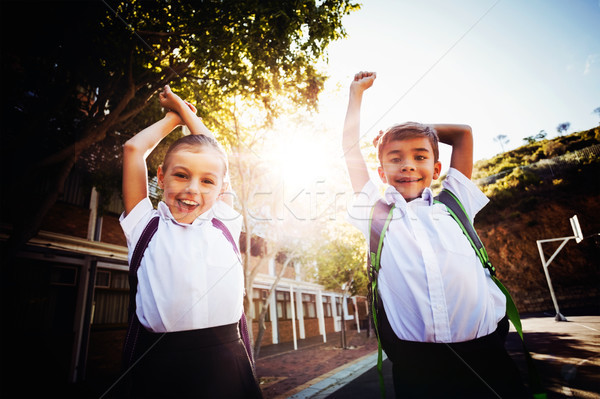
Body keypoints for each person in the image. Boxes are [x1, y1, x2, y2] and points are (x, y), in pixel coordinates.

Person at [343, 71, 529, 398]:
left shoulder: (455, 203)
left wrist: (417, 129)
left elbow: (463, 133)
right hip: (418, 366)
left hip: (487, 356)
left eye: (420, 156)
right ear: (381, 171)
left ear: (437, 169)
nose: (408, 165)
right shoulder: (376, 212)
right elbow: (349, 150)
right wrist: (356, 94)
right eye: (395, 158)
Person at [120, 85, 262, 398]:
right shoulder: (144, 225)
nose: (193, 188)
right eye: (181, 175)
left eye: (207, 181)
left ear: (221, 186)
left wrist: (186, 113)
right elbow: (133, 149)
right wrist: (175, 117)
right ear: (160, 176)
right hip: (160, 365)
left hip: (227, 361)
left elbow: (218, 155)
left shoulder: (223, 221)